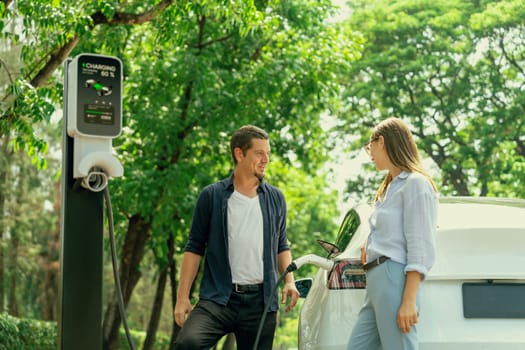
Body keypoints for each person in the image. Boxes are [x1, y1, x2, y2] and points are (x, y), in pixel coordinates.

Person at [173, 125, 300, 350]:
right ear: (239, 154)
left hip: (261, 303)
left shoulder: (275, 198)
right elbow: (194, 248)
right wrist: (182, 298)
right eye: (259, 153)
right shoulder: (211, 196)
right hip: (218, 298)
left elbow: (282, 245)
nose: (266, 159)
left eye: (268, 154)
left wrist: (289, 281)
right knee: (187, 344)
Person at [347, 117, 438, 350]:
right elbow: (390, 231)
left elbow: (421, 245)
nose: (370, 154)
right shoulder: (391, 187)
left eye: (370, 147)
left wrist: (408, 301)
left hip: (393, 277)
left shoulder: (415, 184)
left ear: (382, 142)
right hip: (376, 281)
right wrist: (368, 242)